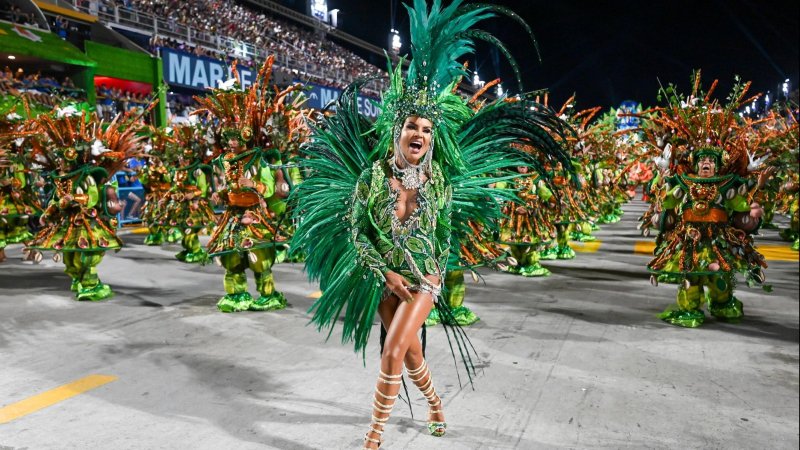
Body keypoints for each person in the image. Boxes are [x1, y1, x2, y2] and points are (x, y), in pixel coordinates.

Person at [291, 1, 573, 447]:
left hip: (424, 279)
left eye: (426, 128)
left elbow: (442, 236)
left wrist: (429, 274)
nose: (419, 133)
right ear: (396, 131)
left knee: (390, 350)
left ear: (432, 137)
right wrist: (384, 271)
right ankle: (436, 402)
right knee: (409, 352)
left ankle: (375, 433)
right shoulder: (371, 178)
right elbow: (355, 232)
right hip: (381, 277)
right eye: (411, 126)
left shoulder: (437, 179)